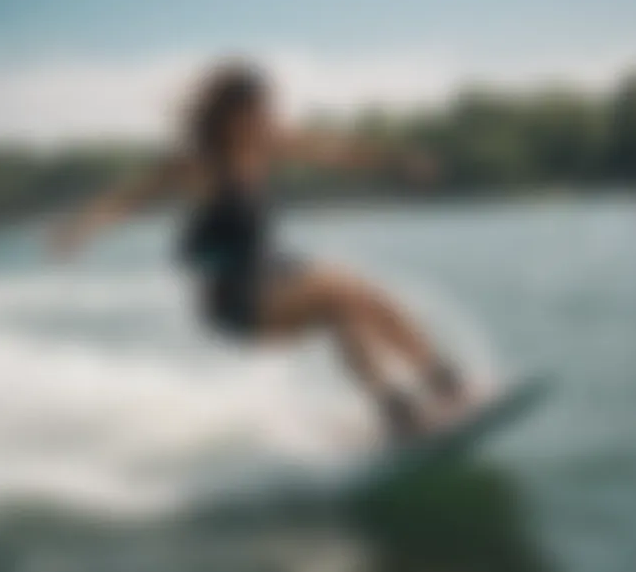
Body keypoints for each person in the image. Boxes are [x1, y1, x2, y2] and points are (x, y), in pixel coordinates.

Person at [52, 62, 471, 440]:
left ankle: (435, 384)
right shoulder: (200, 164)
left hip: (276, 276)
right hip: (234, 298)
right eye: (258, 110)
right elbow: (130, 197)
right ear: (230, 117)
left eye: (268, 108)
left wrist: (399, 159)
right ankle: (403, 405)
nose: (267, 117)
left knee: (361, 297)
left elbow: (339, 153)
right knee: (339, 288)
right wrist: (79, 227)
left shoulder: (266, 143)